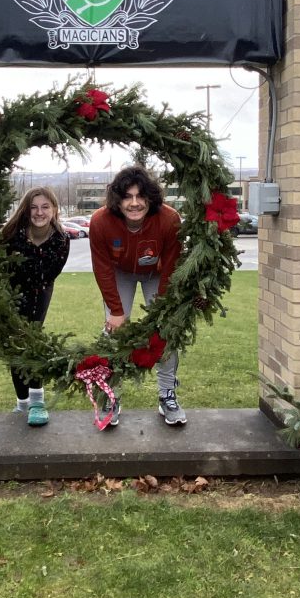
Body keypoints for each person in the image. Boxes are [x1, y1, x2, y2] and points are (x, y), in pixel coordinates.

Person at [88, 165, 185, 427]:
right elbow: (103, 268)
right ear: (117, 200)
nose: (134, 203)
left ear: (150, 198)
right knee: (113, 332)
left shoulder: (168, 219)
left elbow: (173, 265)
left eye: (140, 196)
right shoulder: (100, 221)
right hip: (121, 273)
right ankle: (112, 395)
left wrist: (162, 310)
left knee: (166, 331)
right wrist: (117, 312)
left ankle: (167, 394)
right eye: (127, 197)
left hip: (157, 273)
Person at [1, 187, 70, 426]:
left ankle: (37, 401)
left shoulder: (61, 238)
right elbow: (2, 267)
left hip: (40, 290)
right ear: (26, 209)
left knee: (31, 339)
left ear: (53, 210)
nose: (39, 212)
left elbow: (47, 274)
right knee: (13, 346)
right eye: (33, 207)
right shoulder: (11, 234)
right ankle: (22, 403)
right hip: (10, 291)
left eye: (45, 207)